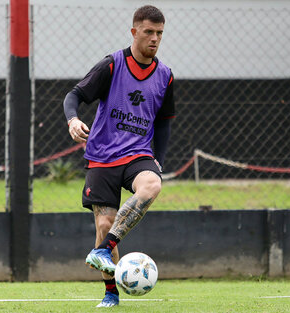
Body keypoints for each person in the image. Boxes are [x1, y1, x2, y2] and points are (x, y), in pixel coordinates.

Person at [63, 5, 175, 308]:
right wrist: (73, 120)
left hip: (138, 154)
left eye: (159, 33)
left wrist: (159, 161)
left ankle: (105, 249)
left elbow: (163, 122)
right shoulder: (112, 65)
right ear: (134, 31)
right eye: (149, 32)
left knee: (152, 185)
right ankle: (111, 293)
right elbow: (73, 96)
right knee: (104, 225)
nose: (154, 39)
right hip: (101, 157)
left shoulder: (165, 76)